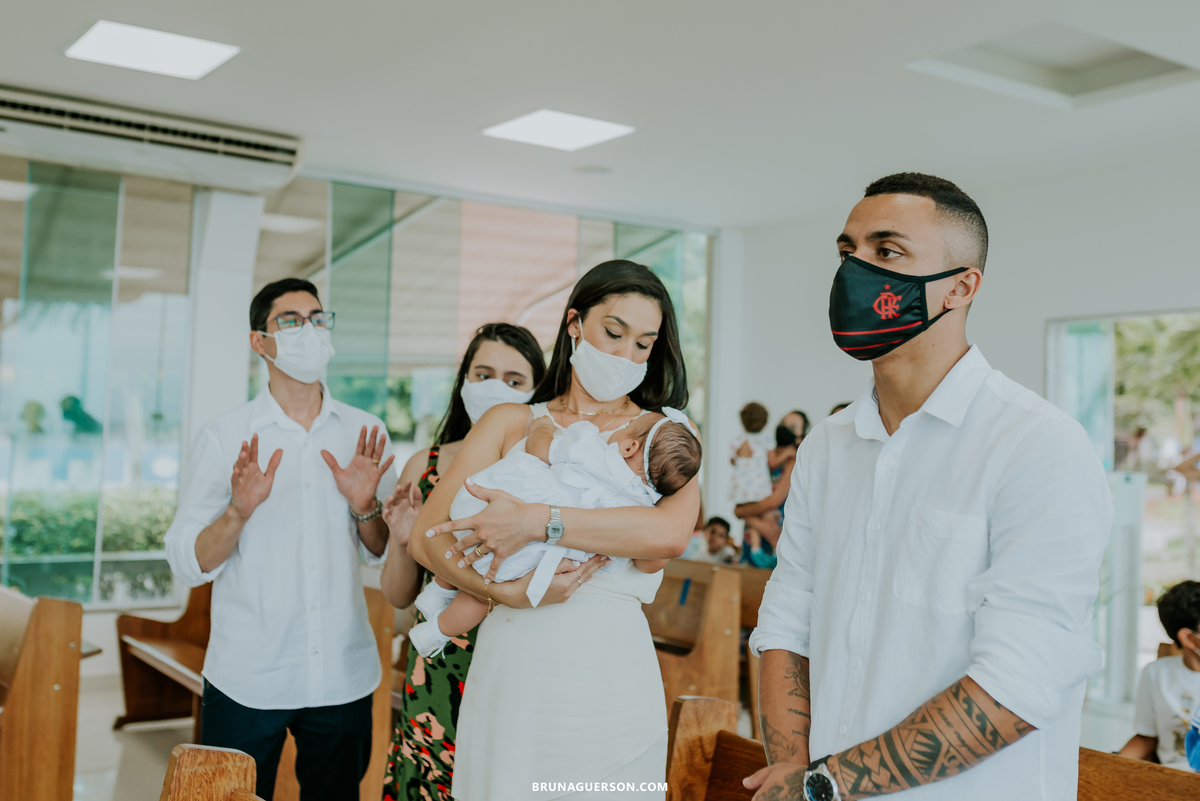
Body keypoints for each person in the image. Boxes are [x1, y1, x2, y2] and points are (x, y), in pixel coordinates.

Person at [745, 173, 1111, 801]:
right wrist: (794, 773)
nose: (855, 270)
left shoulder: (1036, 444)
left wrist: (820, 785)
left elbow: (1018, 684)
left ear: (960, 288)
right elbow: (788, 617)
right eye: (847, 251)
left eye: (887, 252)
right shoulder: (829, 447)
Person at [409, 260, 699, 800]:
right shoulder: (510, 423)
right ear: (574, 325)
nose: (626, 356)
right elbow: (427, 534)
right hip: (515, 663)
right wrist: (504, 593)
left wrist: (537, 522)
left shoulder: (662, 434)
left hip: (611, 669)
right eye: (613, 333)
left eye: (644, 343)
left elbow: (666, 536)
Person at [164, 278, 397, 799]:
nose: (308, 331)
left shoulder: (364, 432)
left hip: (342, 673)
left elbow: (381, 549)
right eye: (289, 321)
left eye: (317, 318)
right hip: (249, 674)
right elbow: (187, 561)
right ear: (259, 341)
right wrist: (236, 513)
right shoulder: (225, 437)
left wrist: (366, 508)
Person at [380, 322, 546, 801]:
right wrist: (400, 540)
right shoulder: (425, 466)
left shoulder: (547, 472)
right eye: (484, 373)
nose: (497, 388)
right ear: (463, 381)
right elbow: (397, 595)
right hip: (436, 663)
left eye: (514, 380)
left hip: (517, 660)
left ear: (536, 390)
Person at [408, 409, 701, 657]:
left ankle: (438, 590)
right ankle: (435, 632)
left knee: (471, 546)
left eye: (626, 428)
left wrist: (542, 426)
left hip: (500, 509)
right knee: (481, 593)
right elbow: (651, 560)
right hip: (549, 561)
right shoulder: (643, 503)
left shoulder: (589, 446)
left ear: (629, 447)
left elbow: (540, 450)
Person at [1118, 580, 1200, 770]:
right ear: (1188, 638)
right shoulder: (1156, 673)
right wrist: (1109, 766)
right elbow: (1147, 737)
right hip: (1171, 781)